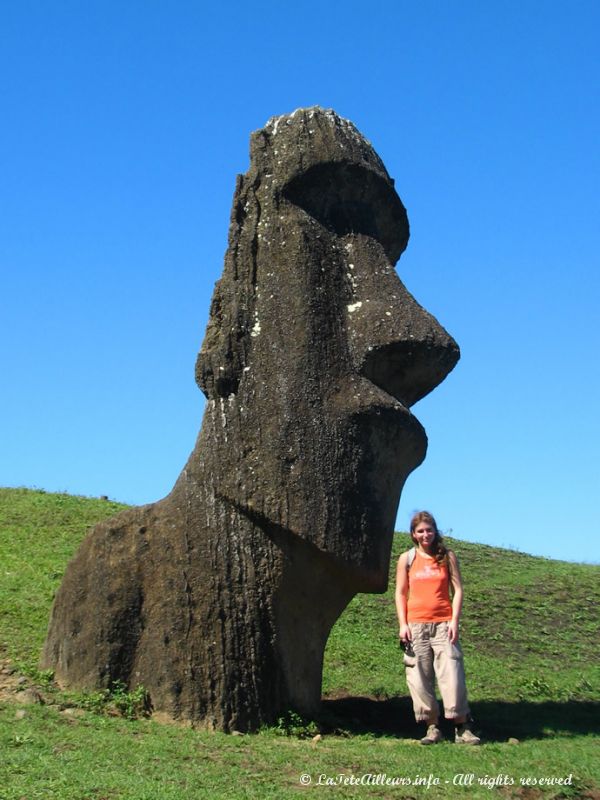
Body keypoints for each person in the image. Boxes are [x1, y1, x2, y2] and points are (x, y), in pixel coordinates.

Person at [395, 511, 480, 745]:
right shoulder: (407, 559)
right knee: (419, 677)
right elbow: (401, 593)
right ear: (413, 534)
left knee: (452, 675)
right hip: (416, 626)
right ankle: (432, 727)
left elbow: (458, 590)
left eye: (429, 530)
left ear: (435, 531)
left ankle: (463, 726)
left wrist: (454, 621)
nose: (425, 535)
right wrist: (403, 624)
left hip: (443, 624)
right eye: (420, 531)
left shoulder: (447, 556)